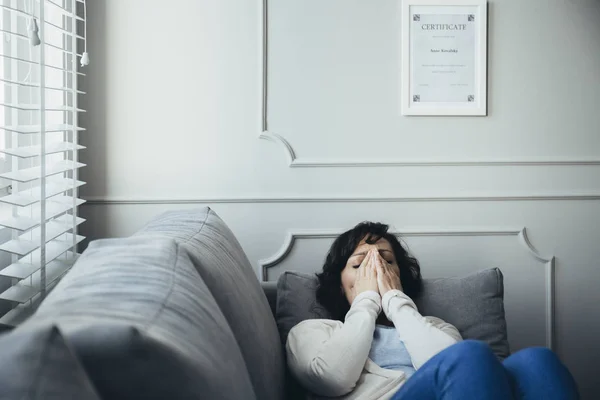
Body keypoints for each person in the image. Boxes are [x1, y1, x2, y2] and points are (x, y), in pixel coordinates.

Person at [286, 222, 579, 400]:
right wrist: (366, 301)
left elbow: (450, 364)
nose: (375, 270)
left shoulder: (434, 327)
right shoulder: (314, 331)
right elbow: (332, 378)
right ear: (339, 283)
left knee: (537, 361)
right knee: (471, 353)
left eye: (386, 261)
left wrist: (394, 300)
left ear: (399, 277)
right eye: (360, 263)